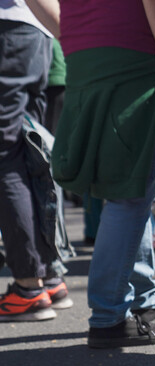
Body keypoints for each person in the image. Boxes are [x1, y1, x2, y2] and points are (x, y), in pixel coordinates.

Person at [27, 0, 155, 347]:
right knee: (130, 195)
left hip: (85, 57)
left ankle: (144, 300)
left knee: (127, 190)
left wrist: (73, 35)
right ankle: (108, 316)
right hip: (133, 59)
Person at [0, 0, 72, 322]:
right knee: (32, 155)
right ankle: (49, 277)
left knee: (7, 160)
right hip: (37, 33)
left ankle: (29, 287)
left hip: (9, 30)